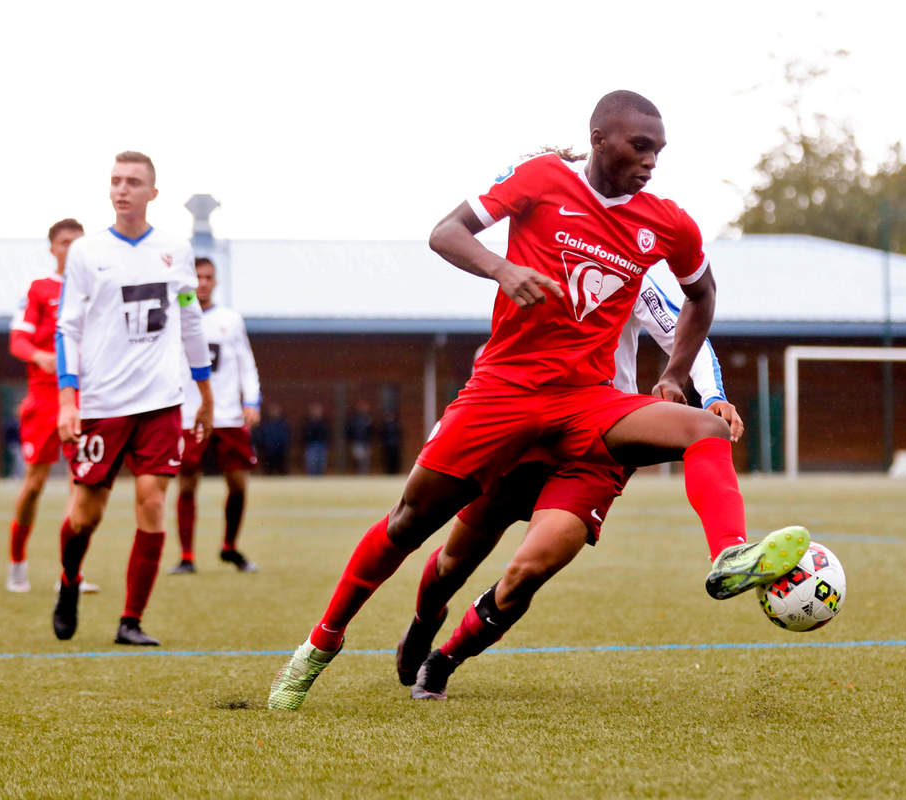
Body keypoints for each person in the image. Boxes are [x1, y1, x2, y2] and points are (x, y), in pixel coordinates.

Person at [269, 90, 807, 710]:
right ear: (600, 138)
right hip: (504, 394)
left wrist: (677, 376)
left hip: (588, 406)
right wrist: (503, 270)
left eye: (660, 150)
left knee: (700, 434)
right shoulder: (542, 178)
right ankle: (323, 644)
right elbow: (445, 232)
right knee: (416, 531)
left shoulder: (666, 221)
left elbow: (702, 295)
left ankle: (729, 556)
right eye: (641, 146)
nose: (652, 160)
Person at [399, 273, 752, 698]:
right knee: (453, 562)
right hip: (525, 440)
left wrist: (712, 392)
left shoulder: (627, 264)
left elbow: (678, 323)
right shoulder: (536, 261)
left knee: (528, 571)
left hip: (597, 443)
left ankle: (444, 660)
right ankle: (424, 622)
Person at [53, 151, 213, 646]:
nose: (123, 189)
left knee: (151, 501)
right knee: (85, 515)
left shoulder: (174, 250)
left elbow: (189, 317)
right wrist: (67, 397)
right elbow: (68, 327)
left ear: (152, 193)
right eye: (117, 181)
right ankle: (69, 581)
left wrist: (202, 392)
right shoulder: (86, 252)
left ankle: (131, 620)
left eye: (134, 182)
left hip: (161, 399)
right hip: (102, 402)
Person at [4, 218, 98, 595]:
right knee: (34, 485)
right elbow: (18, 342)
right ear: (52, 247)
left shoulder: (96, 289)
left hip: (86, 397)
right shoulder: (39, 289)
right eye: (64, 242)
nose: (71, 247)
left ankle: (69, 576)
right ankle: (17, 564)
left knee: (80, 485)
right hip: (44, 398)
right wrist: (42, 357)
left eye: (78, 241)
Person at [169, 257, 262, 575]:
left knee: (238, 485)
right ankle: (186, 556)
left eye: (208, 277)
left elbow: (246, 362)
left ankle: (229, 547)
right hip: (189, 417)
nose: (203, 282)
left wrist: (251, 400)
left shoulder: (230, 319)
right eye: (197, 277)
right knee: (186, 486)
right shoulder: (176, 316)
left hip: (228, 416)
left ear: (216, 281)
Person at [254, 402, 291, 475]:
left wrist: (284, 446)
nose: (274, 412)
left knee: (282, 470)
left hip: (280, 451)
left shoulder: (283, 423)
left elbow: (286, 436)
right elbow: (261, 436)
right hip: (268, 450)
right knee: (268, 471)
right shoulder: (266, 423)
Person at [345, 400, 374, 475]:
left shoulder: (368, 419)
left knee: (366, 459)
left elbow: (372, 431)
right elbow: (350, 430)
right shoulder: (354, 419)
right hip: (357, 441)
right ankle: (359, 473)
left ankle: (365, 473)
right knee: (359, 459)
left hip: (366, 442)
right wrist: (351, 440)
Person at [302, 402, 330, 476]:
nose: (316, 412)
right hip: (311, 445)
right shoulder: (308, 422)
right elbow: (306, 433)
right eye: (315, 410)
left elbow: (326, 433)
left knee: (321, 465)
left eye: (318, 410)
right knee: (311, 465)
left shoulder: (324, 421)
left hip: (322, 445)